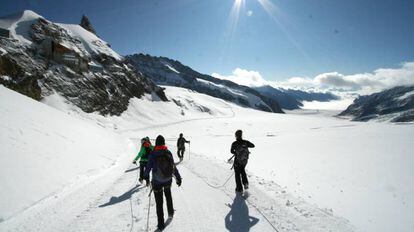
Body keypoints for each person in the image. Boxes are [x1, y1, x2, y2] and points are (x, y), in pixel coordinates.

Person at [144, 135, 182, 231]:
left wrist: (146, 176)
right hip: (168, 179)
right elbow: (173, 167)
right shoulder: (168, 152)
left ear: (156, 143)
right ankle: (170, 212)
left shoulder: (153, 154)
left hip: (157, 182)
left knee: (159, 203)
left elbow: (148, 167)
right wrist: (178, 178)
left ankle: (161, 224)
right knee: (168, 195)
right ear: (164, 143)